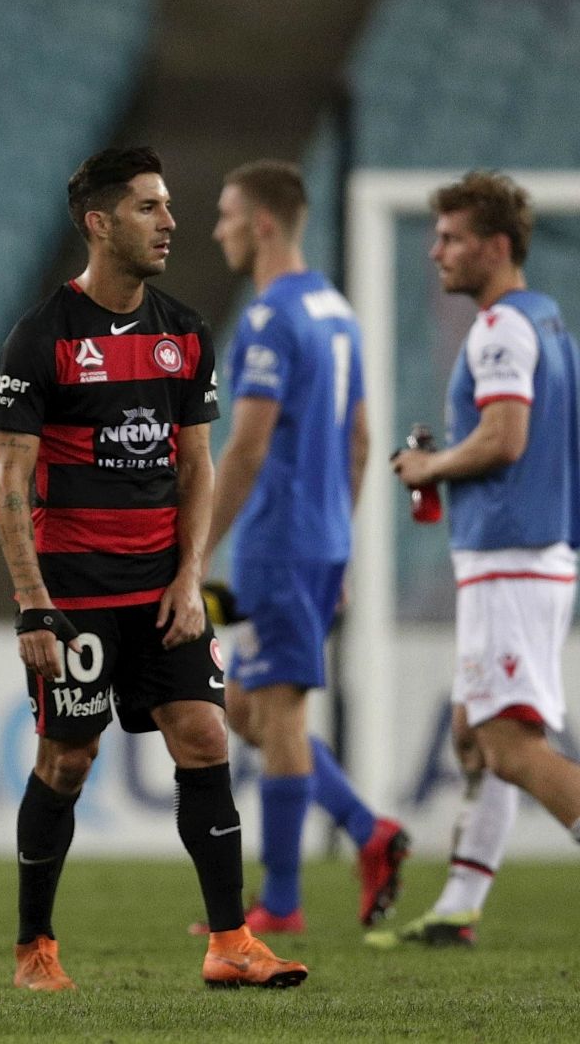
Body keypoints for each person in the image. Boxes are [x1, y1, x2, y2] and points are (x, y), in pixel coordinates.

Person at [0, 146, 307, 992]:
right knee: (68, 761)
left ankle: (231, 941)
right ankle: (34, 950)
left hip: (162, 591)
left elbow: (197, 464)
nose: (170, 222)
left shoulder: (184, 331)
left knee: (203, 737)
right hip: (78, 597)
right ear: (99, 223)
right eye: (148, 208)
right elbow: (8, 477)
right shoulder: (44, 335)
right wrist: (33, 605)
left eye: (167, 206)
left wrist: (189, 574)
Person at [202, 160, 408, 934]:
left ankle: (281, 903)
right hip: (317, 537)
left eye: (225, 214)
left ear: (260, 225)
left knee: (277, 719)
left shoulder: (269, 318)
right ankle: (367, 830)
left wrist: (196, 551)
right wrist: (343, 544)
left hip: (279, 541)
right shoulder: (336, 309)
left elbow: (247, 449)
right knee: (250, 711)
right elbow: (360, 438)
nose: (216, 228)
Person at [378, 170, 580, 948]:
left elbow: (505, 438)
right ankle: (460, 902)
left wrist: (429, 468)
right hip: (527, 555)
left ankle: (461, 899)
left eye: (453, 238)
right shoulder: (549, 321)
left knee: (507, 745)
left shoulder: (500, 330)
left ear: (497, 246)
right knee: (474, 732)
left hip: (512, 558)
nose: (436, 252)